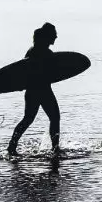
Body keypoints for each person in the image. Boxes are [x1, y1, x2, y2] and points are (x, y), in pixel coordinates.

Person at [7, 22, 61, 158]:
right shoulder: (45, 53)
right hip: (43, 91)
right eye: (54, 34)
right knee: (55, 118)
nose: (56, 37)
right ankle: (55, 149)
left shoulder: (32, 50)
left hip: (31, 91)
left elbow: (23, 71)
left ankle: (12, 145)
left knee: (28, 119)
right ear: (48, 36)